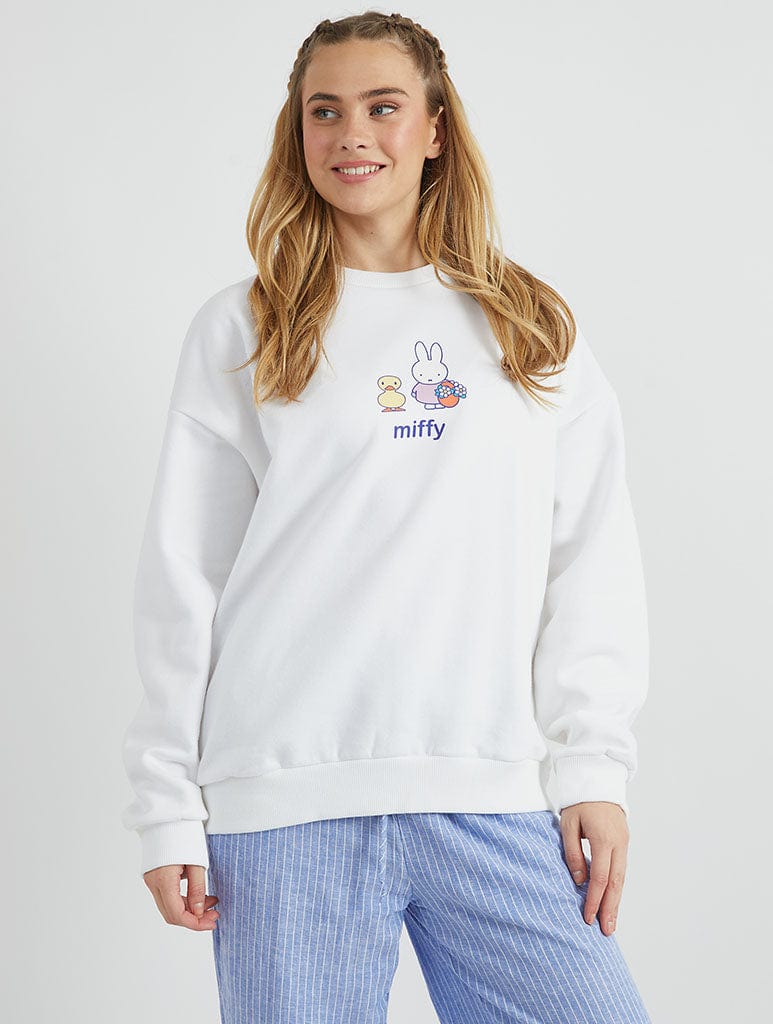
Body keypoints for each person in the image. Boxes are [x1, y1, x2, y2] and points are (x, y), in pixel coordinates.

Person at [121, 10, 652, 1023]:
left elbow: (589, 558)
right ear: (297, 133)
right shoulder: (245, 327)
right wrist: (165, 806)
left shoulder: (527, 324)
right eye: (323, 112)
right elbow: (184, 578)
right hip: (286, 800)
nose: (351, 135)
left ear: (435, 127)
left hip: (490, 791)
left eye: (382, 106)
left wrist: (592, 762)